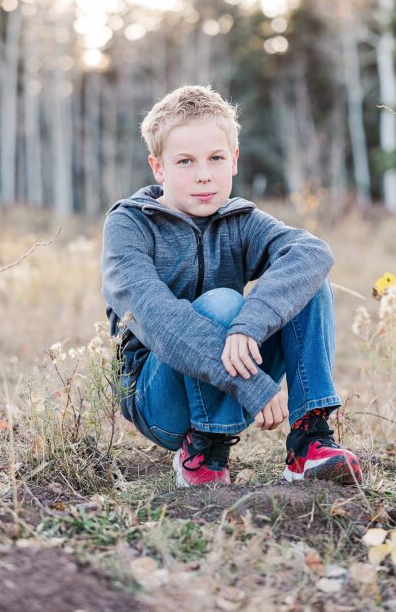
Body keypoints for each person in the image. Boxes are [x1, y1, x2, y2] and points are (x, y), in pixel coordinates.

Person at [100, 85, 361, 488]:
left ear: (234, 160)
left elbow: (312, 253)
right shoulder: (129, 225)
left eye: (216, 158)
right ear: (158, 168)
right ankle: (203, 449)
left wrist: (250, 325)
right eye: (185, 161)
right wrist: (254, 385)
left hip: (235, 383)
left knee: (308, 283)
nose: (204, 174)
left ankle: (309, 442)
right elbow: (161, 322)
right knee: (222, 301)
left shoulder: (240, 221)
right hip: (160, 403)